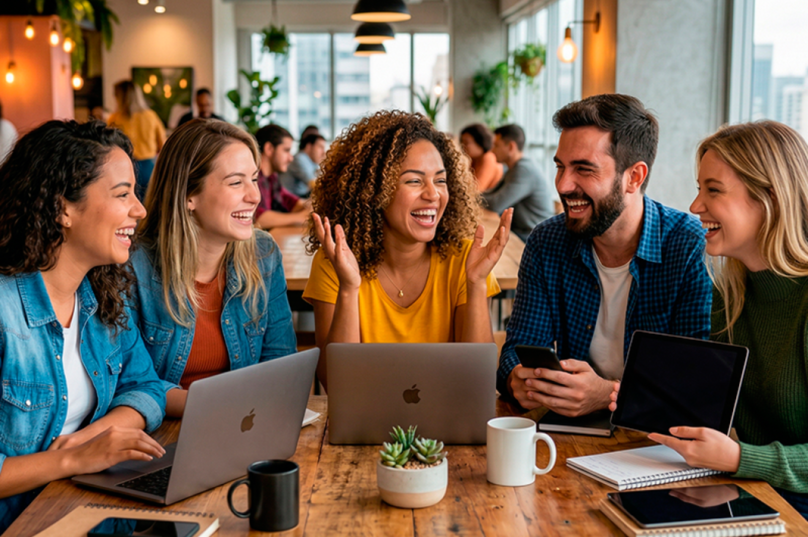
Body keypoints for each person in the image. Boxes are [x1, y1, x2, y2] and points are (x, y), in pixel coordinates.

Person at [609, 121, 808, 517]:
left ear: (769, 197)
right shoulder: (729, 295)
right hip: (755, 494)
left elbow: (740, 452)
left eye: (713, 190)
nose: (696, 206)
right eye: (699, 188)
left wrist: (739, 457)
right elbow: (714, 408)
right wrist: (649, 402)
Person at [498, 94, 712, 417]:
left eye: (584, 169)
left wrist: (608, 394)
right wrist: (518, 379)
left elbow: (692, 385)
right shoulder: (547, 241)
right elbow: (517, 350)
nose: (564, 184)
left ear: (634, 177)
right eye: (560, 167)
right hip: (568, 435)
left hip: (653, 442)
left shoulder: (687, 247)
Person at [0, 120, 166, 531]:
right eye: (122, 193)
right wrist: (72, 459)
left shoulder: (102, 293)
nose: (140, 209)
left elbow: (145, 387)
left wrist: (97, 438)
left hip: (91, 515)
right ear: (62, 208)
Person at [302, 110, 512, 391]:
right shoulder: (336, 263)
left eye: (440, 180)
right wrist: (349, 288)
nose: (433, 194)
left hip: (449, 426)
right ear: (373, 191)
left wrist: (475, 285)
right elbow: (338, 385)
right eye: (414, 181)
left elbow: (477, 381)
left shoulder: (465, 259)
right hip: (365, 430)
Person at [131, 119, 297, 417]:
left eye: (254, 179)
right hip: (165, 435)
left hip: (246, 423)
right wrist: (225, 404)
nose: (255, 196)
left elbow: (280, 363)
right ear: (188, 195)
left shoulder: (263, 253)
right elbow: (132, 385)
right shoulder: (134, 267)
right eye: (236, 182)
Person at [482, 124, 555, 241]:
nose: (492, 150)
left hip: (535, 237)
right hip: (521, 232)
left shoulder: (524, 170)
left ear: (511, 147)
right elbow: (491, 193)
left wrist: (470, 198)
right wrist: (469, 196)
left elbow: (496, 204)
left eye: (496, 145)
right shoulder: (513, 168)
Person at [108, 80, 166, 197]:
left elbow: (109, 147)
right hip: (149, 167)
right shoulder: (151, 116)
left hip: (125, 167)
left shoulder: (114, 119)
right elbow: (163, 144)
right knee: (149, 205)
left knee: (128, 205)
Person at [253, 124, 312, 229]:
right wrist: (300, 217)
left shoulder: (272, 177)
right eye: (286, 150)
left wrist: (310, 206)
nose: (291, 158)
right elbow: (257, 218)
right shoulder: (253, 177)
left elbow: (288, 201)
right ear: (269, 149)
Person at [280, 133, 327, 198]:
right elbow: (314, 184)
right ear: (309, 146)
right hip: (289, 199)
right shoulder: (300, 158)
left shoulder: (312, 161)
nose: (323, 152)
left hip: (299, 196)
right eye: (320, 147)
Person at [460, 123, 503, 192]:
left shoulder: (488, 158)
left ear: (479, 141)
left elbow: (476, 190)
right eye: (462, 142)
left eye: (466, 142)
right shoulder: (474, 159)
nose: (463, 146)